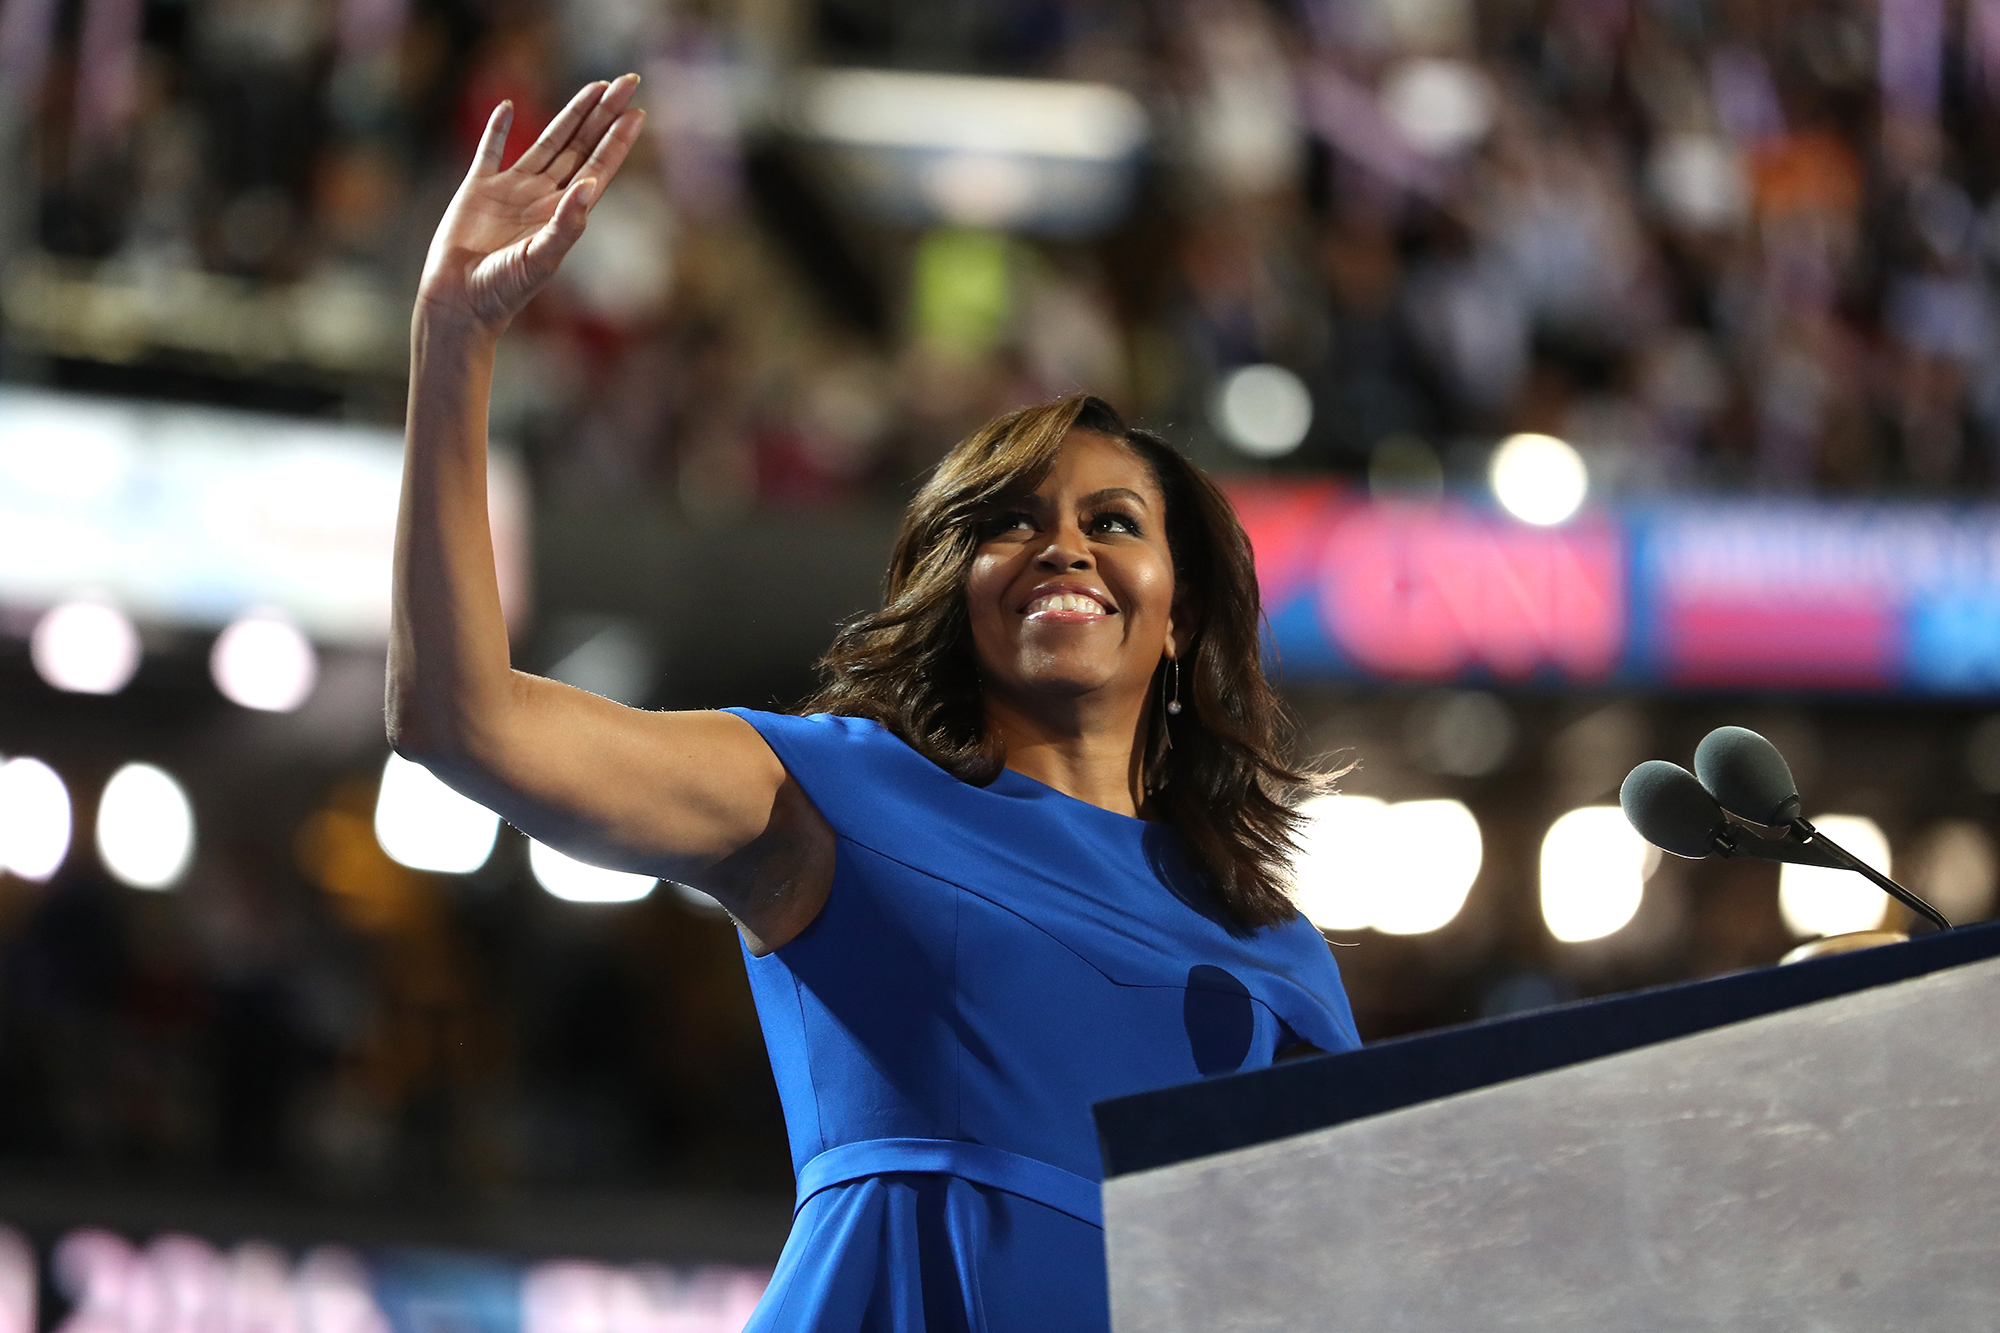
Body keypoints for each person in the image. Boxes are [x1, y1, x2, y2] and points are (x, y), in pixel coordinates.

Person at [389, 75, 1361, 1333]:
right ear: (961, 596)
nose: (1061, 547)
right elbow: (463, 721)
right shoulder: (831, 796)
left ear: (1177, 618)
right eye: (1009, 525)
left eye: (1110, 523)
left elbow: (1350, 1274)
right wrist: (452, 336)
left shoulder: (1273, 952)